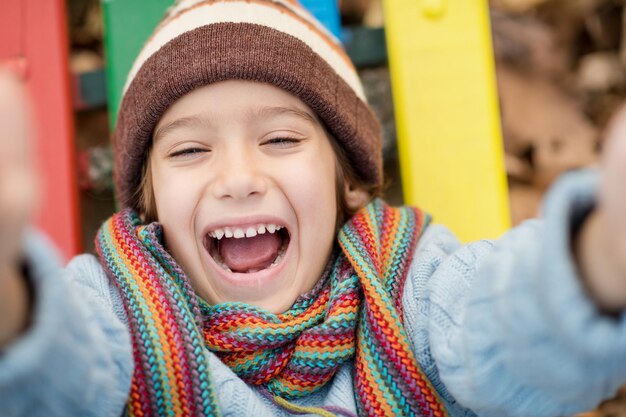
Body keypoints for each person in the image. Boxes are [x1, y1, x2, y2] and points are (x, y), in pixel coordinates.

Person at [2, 1, 626, 416]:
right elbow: (55, 377)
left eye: (280, 139)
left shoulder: (410, 284)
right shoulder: (113, 311)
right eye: (190, 149)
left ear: (345, 181)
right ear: (151, 202)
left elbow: (506, 324)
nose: (239, 177)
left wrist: (600, 258)